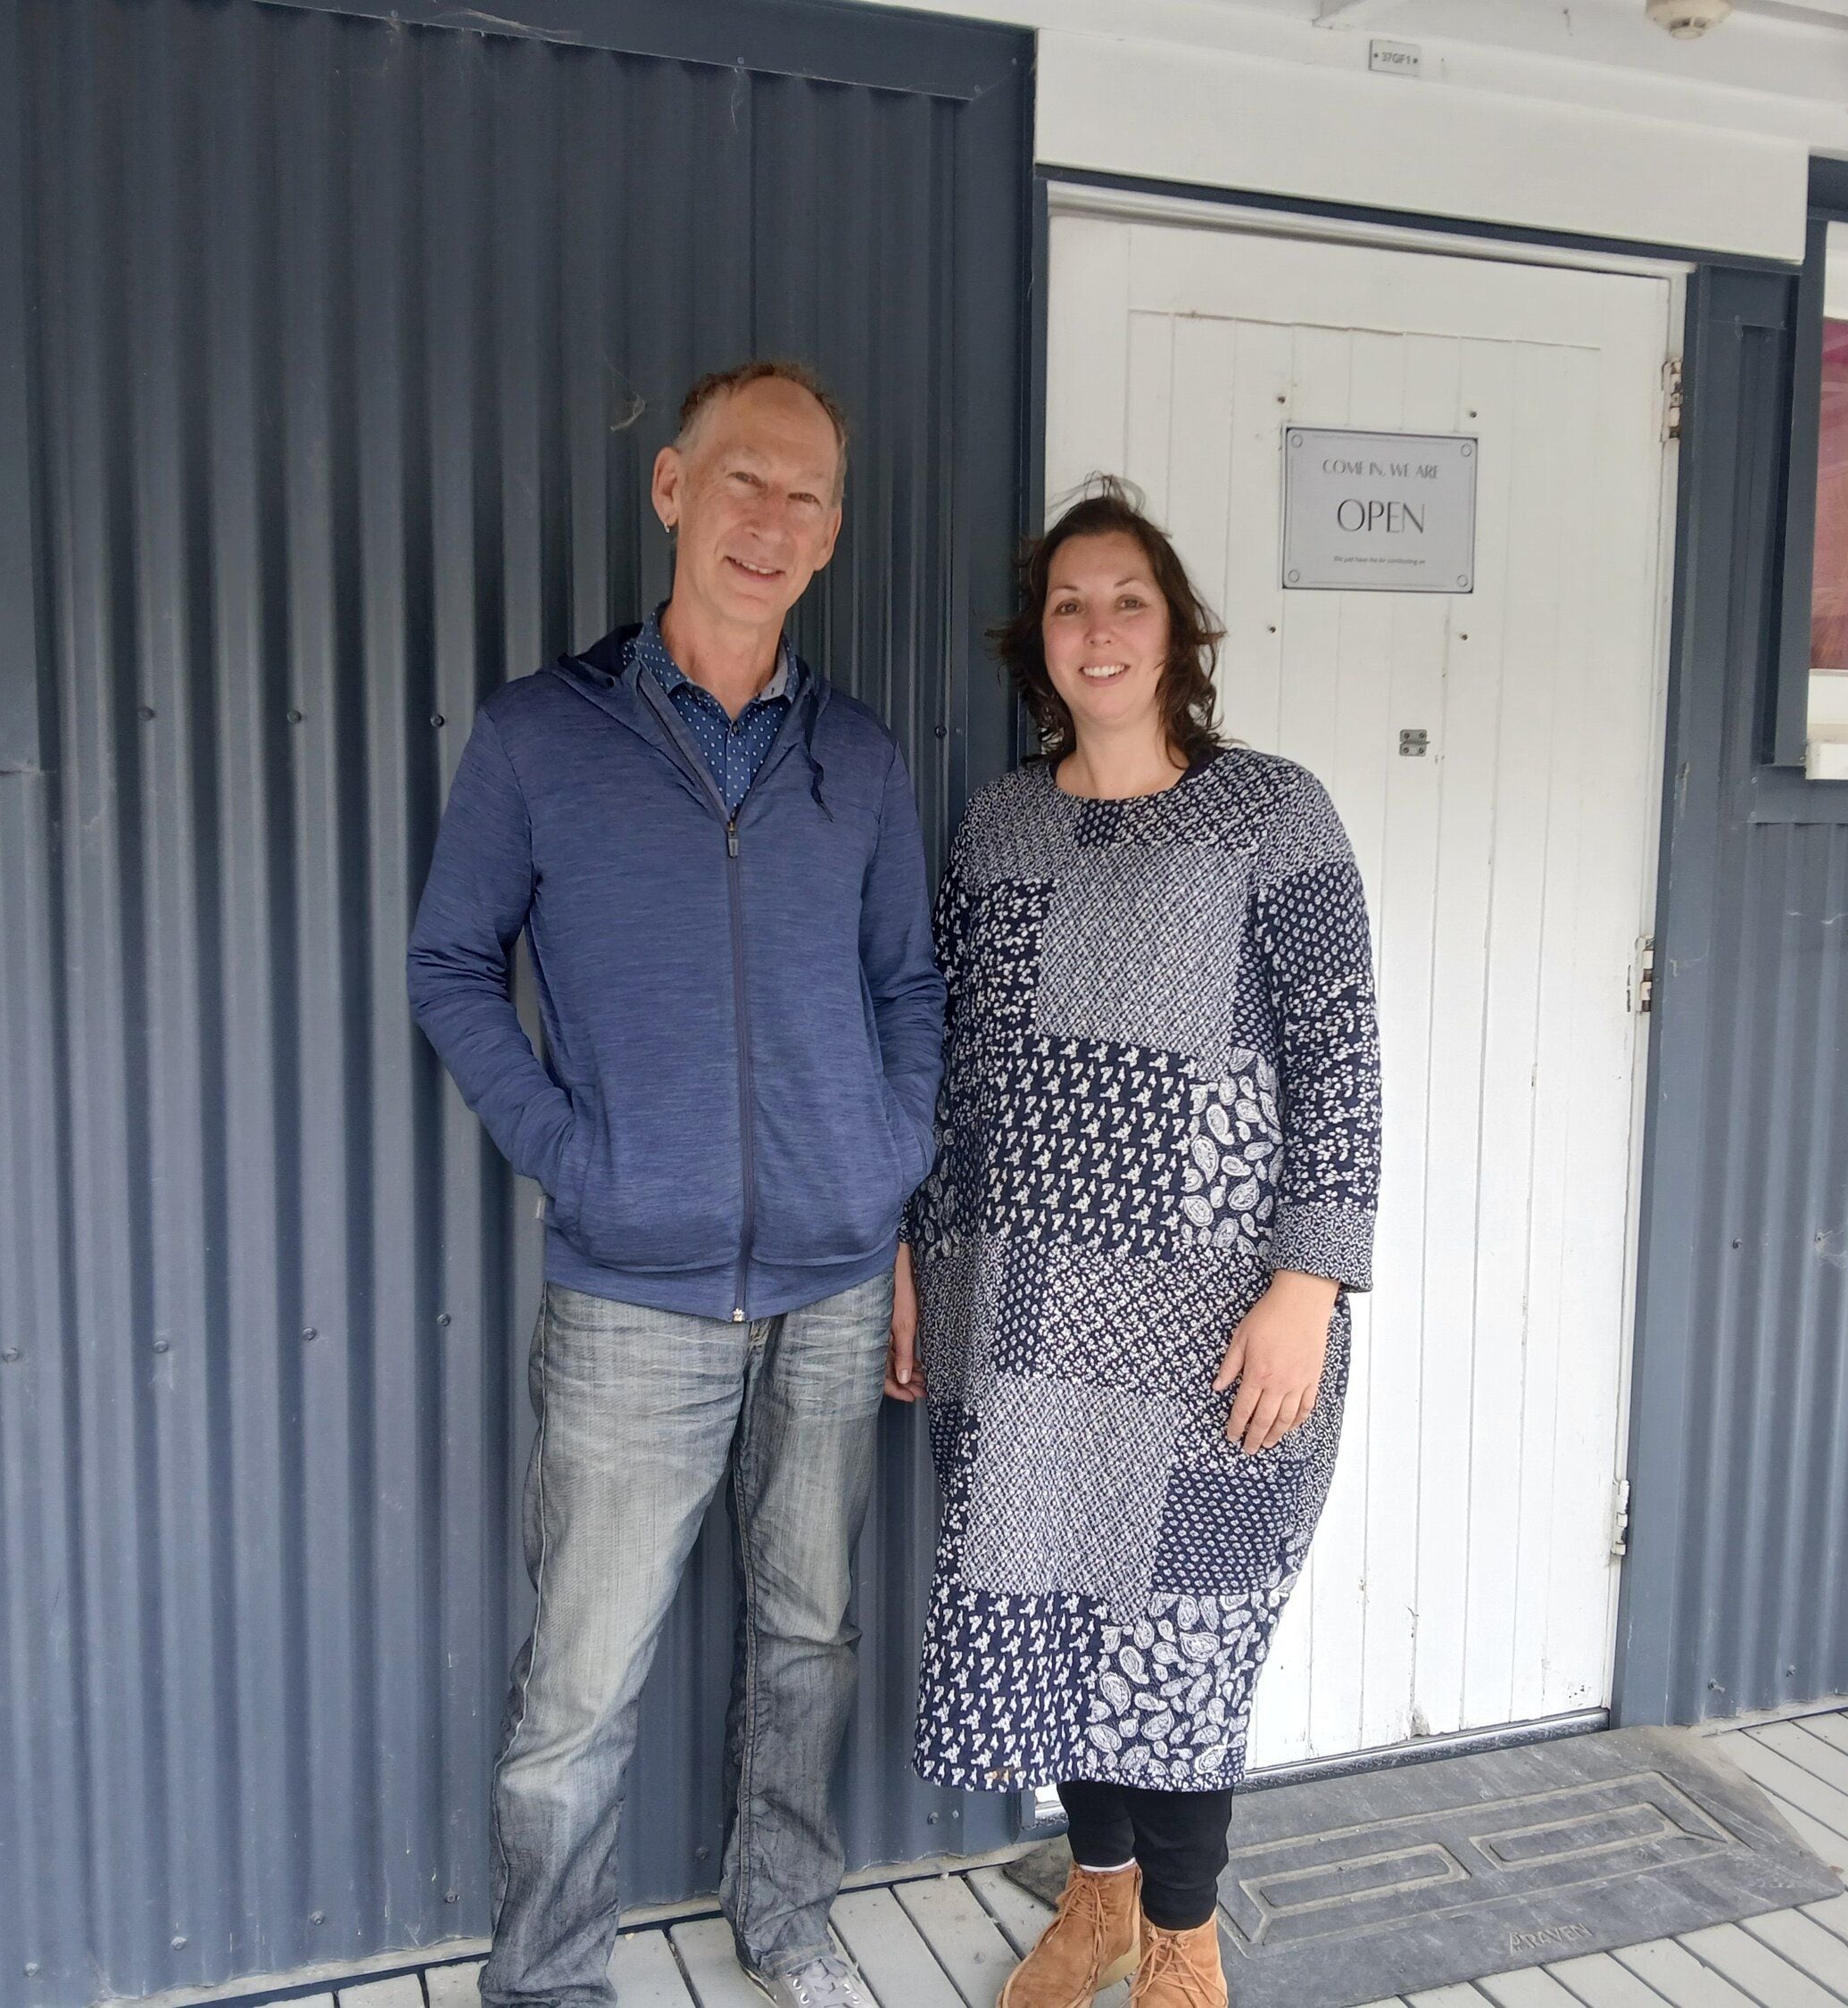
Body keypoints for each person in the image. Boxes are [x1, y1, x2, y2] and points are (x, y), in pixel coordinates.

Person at [410, 361, 944, 2008]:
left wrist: (885, 1155)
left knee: (808, 1639)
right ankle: (551, 1980)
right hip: (632, 1293)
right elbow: (449, 966)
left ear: (835, 533)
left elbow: (911, 992)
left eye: (803, 498)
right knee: (578, 1685)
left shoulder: (853, 756)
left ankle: (782, 1922)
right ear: (670, 490)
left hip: (837, 1285)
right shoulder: (539, 735)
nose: (768, 522)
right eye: (742, 483)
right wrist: (581, 1153)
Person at [891, 480, 1381, 2008]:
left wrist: (1311, 1280)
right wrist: (916, 1254)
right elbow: (950, 1055)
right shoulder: (1001, 819)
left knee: (1182, 1622)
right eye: (1068, 604)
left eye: (1128, 600)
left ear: (1178, 631)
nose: (1097, 629)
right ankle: (1094, 1904)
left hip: (1213, 1310)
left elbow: (1338, 1057)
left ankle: (1184, 1936)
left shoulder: (1271, 810)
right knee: (1048, 1603)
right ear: (1037, 642)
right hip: (1016, 1299)